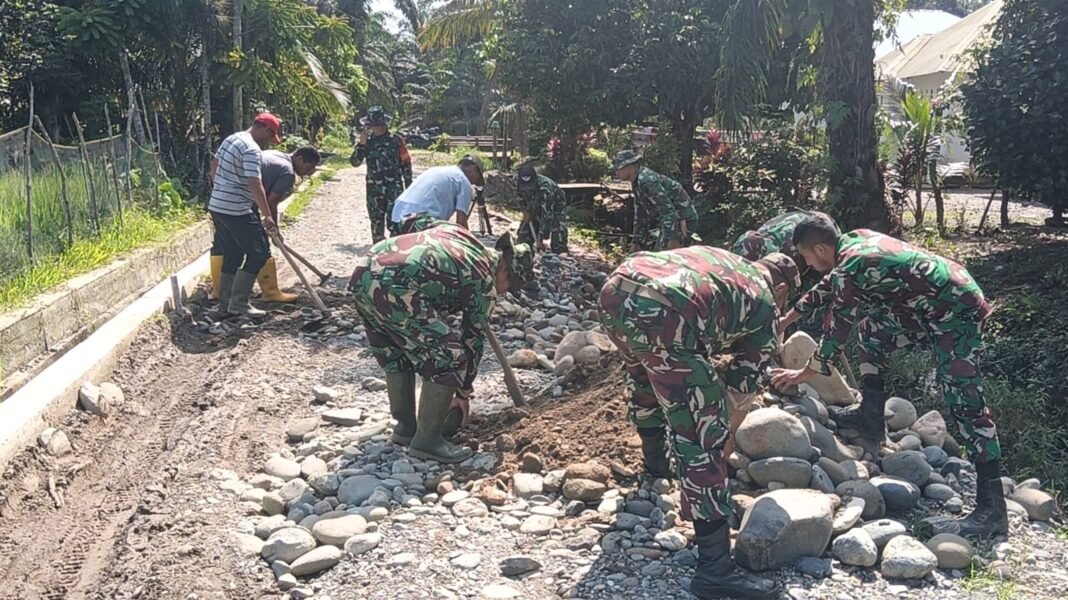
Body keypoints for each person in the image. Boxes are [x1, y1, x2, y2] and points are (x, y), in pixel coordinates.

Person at [770, 217, 1007, 538]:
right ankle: (870, 418)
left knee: (964, 399)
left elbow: (836, 331)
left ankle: (992, 510)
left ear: (821, 249)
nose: (808, 263)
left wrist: (804, 373)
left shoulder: (852, 264)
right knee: (873, 331)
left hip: (957, 310)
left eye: (807, 256)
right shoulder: (855, 238)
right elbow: (828, 288)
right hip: (932, 304)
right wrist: (786, 319)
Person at [598, 247, 799, 600]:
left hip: (615, 291)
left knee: (645, 373)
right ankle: (715, 571)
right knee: (703, 438)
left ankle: (656, 465)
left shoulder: (729, 264)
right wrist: (724, 437)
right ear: (782, 288)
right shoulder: (766, 302)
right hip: (663, 313)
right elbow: (740, 389)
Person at [348, 220, 533, 464]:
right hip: (397, 285)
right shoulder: (484, 279)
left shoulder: (461, 236)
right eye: (509, 288)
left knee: (396, 351)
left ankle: (405, 428)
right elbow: (473, 340)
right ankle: (428, 440)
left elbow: (419, 220)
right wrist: (462, 393)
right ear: (506, 272)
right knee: (450, 356)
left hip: (365, 272)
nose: (504, 293)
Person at [209, 146, 321, 303]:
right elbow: (271, 202)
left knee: (223, 246)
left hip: (222, 201)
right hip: (243, 205)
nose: (308, 172)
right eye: (308, 167)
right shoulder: (287, 172)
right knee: (260, 249)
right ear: (299, 159)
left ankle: (220, 292)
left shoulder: (274, 154)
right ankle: (270, 292)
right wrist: (274, 229)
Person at [207, 113, 283, 317]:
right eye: (270, 137)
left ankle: (224, 303)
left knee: (232, 253)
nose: (268, 143)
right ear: (266, 130)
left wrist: (222, 188)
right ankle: (239, 303)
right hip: (236, 210)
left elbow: (213, 166)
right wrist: (267, 215)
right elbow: (254, 182)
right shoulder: (251, 149)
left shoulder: (233, 138)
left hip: (218, 206)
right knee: (259, 252)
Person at [610, 149, 698, 253]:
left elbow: (668, 211)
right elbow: (641, 215)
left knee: (666, 258)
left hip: (681, 220)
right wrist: (636, 242)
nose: (616, 172)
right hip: (670, 221)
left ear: (630, 166)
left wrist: (671, 239)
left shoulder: (647, 180)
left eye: (619, 169)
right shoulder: (637, 183)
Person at [349, 106, 413, 242]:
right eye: (371, 126)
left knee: (395, 224)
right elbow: (355, 162)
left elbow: (406, 164)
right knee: (376, 225)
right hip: (374, 190)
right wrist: (361, 145)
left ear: (383, 124)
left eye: (375, 125)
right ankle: (378, 255)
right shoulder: (367, 142)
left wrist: (410, 188)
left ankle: (395, 256)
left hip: (394, 189)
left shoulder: (396, 141)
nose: (373, 128)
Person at [390, 155, 484, 232]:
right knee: (448, 239)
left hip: (397, 216)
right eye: (477, 179)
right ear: (473, 169)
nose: (473, 183)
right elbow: (461, 223)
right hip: (417, 220)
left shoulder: (438, 170)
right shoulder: (463, 181)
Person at [515, 165, 568, 253]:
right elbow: (518, 197)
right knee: (525, 233)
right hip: (533, 202)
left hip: (556, 206)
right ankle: (525, 251)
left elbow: (547, 215)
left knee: (557, 227)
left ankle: (559, 251)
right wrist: (525, 211)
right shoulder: (516, 181)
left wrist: (541, 239)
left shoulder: (545, 187)